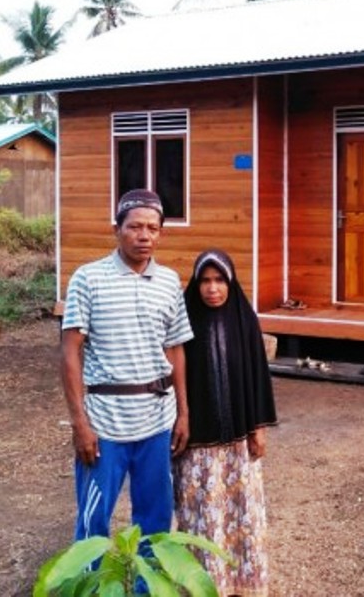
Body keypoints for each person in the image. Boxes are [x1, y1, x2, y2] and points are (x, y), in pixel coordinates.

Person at [60, 188, 193, 543]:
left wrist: (183, 413)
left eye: (153, 228)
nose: (144, 235)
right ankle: (90, 587)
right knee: (94, 519)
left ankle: (146, 588)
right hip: (105, 422)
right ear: (117, 229)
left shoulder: (168, 282)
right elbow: (70, 352)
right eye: (135, 226)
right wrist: (80, 423)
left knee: (155, 518)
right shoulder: (88, 279)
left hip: (157, 420)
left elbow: (176, 348)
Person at [174, 249, 278, 597]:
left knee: (240, 511)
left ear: (230, 283)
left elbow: (257, 376)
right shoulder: (184, 319)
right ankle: (205, 584)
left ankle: (241, 583)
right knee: (202, 514)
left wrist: (258, 428)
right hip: (197, 445)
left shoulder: (243, 320)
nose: (212, 288)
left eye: (219, 280)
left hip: (237, 445)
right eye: (205, 280)